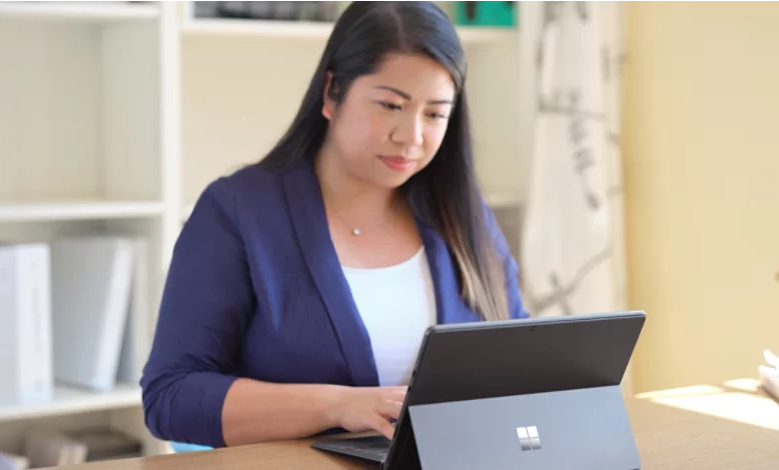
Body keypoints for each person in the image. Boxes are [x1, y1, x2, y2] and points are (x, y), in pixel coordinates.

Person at [140, 0, 528, 450]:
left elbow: (518, 365)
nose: (412, 136)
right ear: (332, 93)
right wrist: (339, 406)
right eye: (389, 105)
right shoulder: (237, 212)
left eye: (435, 113)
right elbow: (171, 398)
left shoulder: (462, 215)